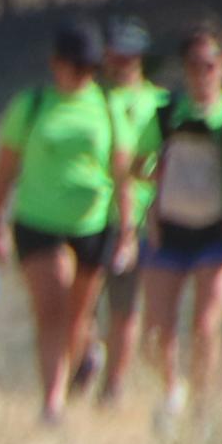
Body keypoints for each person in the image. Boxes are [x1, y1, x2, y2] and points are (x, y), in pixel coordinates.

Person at [133, 23, 222, 422]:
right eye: (193, 65)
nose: (201, 74)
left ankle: (202, 410)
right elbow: (135, 166)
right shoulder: (165, 116)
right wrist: (155, 192)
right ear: (184, 68)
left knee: (205, 326)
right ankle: (171, 389)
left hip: (218, 232)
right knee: (156, 332)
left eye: (209, 65)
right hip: (170, 228)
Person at [0, 23, 127, 425]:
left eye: (90, 68)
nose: (83, 75)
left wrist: (129, 231)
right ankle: (52, 402)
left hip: (92, 223)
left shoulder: (108, 108)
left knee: (77, 314)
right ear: (56, 65)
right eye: (76, 66)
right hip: (38, 221)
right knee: (51, 307)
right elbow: (6, 169)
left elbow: (121, 173)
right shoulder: (31, 106)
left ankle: (84, 355)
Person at [88, 20, 167, 404]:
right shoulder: (92, 97)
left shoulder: (159, 104)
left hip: (135, 215)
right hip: (87, 213)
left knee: (124, 306)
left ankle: (114, 386)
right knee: (82, 301)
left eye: (126, 56)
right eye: (113, 55)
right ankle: (87, 355)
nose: (118, 63)